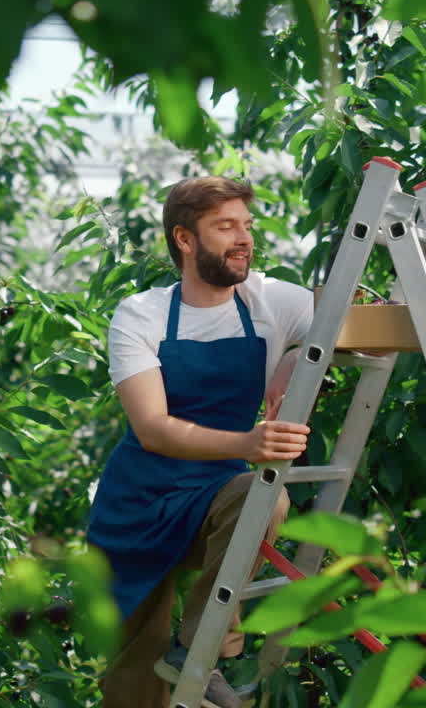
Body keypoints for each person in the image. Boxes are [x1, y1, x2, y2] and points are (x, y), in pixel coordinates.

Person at [87, 177, 314, 708]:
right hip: (136, 506)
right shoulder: (141, 314)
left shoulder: (270, 301)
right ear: (185, 239)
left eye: (246, 225)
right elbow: (153, 428)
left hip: (214, 498)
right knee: (134, 682)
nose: (244, 238)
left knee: (263, 496)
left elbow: (352, 324)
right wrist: (248, 442)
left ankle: (198, 648)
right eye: (226, 227)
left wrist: (293, 358)